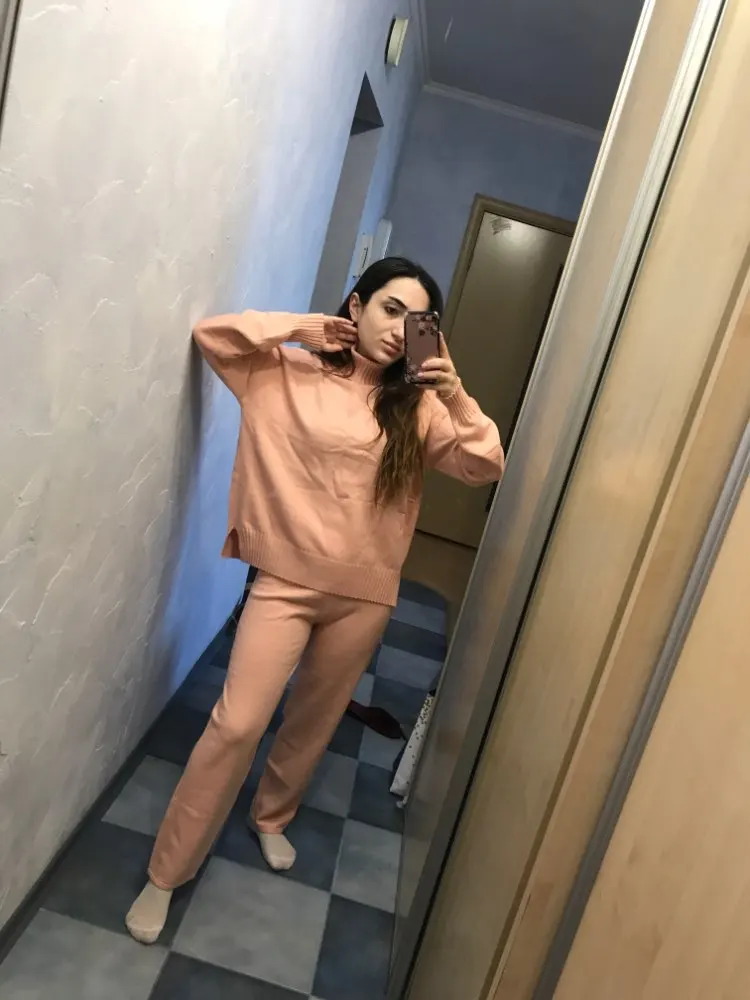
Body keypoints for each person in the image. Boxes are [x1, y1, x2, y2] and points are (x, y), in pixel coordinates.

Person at [126, 257, 505, 944]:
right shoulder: (284, 372)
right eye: (390, 309)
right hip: (285, 582)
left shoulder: (417, 407)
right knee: (238, 723)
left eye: (417, 321)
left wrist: (455, 395)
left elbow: (485, 465)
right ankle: (166, 871)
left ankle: (271, 815)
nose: (400, 330)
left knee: (315, 717)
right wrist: (303, 329)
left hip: (365, 595)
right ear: (356, 306)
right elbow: (214, 337)